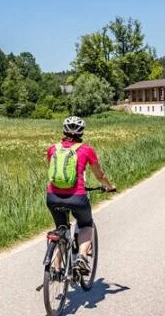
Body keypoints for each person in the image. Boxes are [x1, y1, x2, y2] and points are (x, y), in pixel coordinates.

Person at [46, 116, 115, 274]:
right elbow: (99, 175)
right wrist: (109, 187)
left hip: (52, 196)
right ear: (82, 132)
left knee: (61, 229)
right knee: (85, 225)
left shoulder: (52, 149)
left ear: (64, 130)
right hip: (77, 197)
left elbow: (53, 173)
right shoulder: (86, 150)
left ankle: (56, 268)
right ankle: (82, 258)